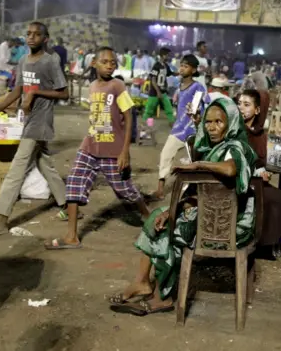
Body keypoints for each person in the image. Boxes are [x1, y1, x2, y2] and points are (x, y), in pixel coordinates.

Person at [110, 98, 257, 315]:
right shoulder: (215, 148)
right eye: (208, 122)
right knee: (158, 217)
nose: (212, 127)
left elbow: (230, 170)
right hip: (211, 213)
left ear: (232, 123)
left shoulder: (238, 147)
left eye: (219, 122)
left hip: (230, 224)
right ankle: (142, 282)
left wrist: (197, 165)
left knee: (169, 230)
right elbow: (206, 193)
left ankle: (164, 297)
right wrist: (172, 210)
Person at [45, 48, 149, 249]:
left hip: (112, 151)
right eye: (105, 62)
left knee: (125, 190)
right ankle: (72, 236)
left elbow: (129, 116)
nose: (109, 65)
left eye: (112, 62)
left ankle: (148, 217)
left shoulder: (117, 86)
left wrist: (125, 151)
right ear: (94, 63)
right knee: (74, 184)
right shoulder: (92, 86)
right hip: (90, 146)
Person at [0, 22, 69, 236]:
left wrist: (36, 94)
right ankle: (68, 205)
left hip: (41, 121)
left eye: (37, 35)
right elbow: (16, 91)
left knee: (16, 170)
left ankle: (1, 219)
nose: (31, 37)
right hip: (29, 120)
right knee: (45, 164)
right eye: (28, 34)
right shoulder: (23, 61)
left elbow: (64, 94)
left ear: (45, 38)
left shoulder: (51, 61)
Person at [237, 89, 281, 252]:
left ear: (258, 110)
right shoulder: (236, 131)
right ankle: (259, 243)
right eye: (239, 103)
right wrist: (256, 174)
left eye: (246, 105)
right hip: (242, 181)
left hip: (257, 180)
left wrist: (262, 171)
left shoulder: (260, 134)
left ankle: (271, 242)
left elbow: (259, 160)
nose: (241, 108)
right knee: (273, 199)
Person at [152, 54, 206, 199]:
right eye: (181, 65)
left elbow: (196, 109)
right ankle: (160, 189)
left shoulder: (198, 87)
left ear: (194, 70)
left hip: (192, 129)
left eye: (186, 66)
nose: (182, 68)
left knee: (196, 161)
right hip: (178, 129)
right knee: (165, 155)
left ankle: (197, 191)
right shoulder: (179, 86)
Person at [143, 47, 175, 125]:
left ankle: (172, 123)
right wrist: (158, 92)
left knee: (169, 109)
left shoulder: (165, 65)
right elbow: (152, 79)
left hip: (163, 92)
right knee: (149, 111)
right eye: (167, 55)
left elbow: (170, 73)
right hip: (154, 93)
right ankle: (145, 126)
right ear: (163, 55)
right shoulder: (156, 65)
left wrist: (181, 73)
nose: (168, 57)